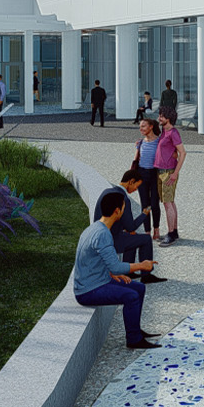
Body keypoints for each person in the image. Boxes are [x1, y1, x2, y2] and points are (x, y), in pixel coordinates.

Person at [73, 191, 162, 350]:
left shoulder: (95, 228)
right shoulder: (103, 234)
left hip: (96, 280)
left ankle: (135, 329)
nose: (124, 210)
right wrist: (142, 265)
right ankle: (134, 340)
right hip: (89, 290)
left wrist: (112, 273)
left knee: (139, 288)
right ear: (117, 211)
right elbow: (116, 265)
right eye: (123, 207)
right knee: (131, 295)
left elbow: (94, 260)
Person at [93, 171, 168, 281]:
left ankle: (129, 272)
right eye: (136, 187)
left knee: (131, 237)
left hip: (100, 237)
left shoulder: (107, 192)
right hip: (112, 241)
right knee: (146, 239)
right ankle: (146, 275)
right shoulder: (123, 199)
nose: (135, 190)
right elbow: (131, 227)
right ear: (131, 181)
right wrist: (144, 214)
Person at [154, 113, 186, 244]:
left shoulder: (173, 133)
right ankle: (174, 231)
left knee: (167, 204)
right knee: (170, 202)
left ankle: (170, 234)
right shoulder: (163, 131)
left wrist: (175, 173)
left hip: (168, 172)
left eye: (161, 116)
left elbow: (183, 153)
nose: (159, 118)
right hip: (160, 171)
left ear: (168, 118)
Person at [133, 117, 163, 238]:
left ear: (151, 127)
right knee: (144, 205)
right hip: (142, 174)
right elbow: (136, 160)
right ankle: (147, 232)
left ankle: (156, 229)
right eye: (140, 126)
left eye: (143, 126)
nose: (141, 129)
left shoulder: (160, 141)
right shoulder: (140, 143)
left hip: (155, 174)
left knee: (155, 204)